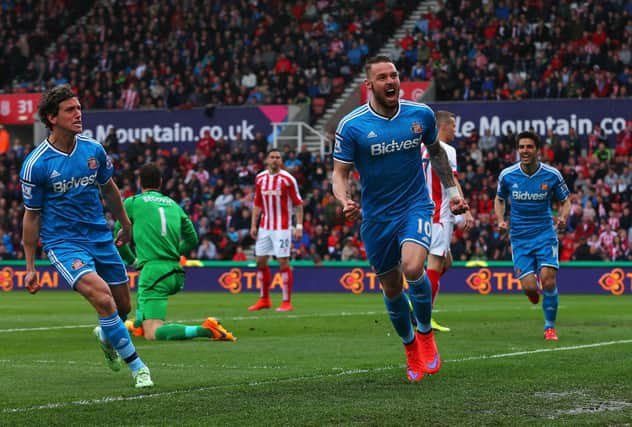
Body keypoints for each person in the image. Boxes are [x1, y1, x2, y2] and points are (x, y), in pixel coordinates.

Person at [332, 55, 468, 382]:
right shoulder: (352, 126)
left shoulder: (419, 114)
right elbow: (340, 173)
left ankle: (424, 332)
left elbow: (436, 153)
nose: (391, 82)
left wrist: (453, 194)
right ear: (369, 86)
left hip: (415, 206)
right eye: (382, 77)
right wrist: (344, 199)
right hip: (377, 217)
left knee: (412, 267)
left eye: (394, 75)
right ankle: (410, 348)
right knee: (392, 287)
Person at [19, 84, 153, 388]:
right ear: (52, 117)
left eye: (79, 108)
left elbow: (108, 187)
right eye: (70, 110)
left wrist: (125, 224)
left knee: (122, 307)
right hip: (64, 243)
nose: (78, 114)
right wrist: (29, 268)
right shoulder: (36, 164)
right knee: (103, 298)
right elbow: (31, 215)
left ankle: (106, 335)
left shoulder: (93, 149)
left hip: (100, 236)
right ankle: (138, 367)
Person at [116, 163, 236, 342]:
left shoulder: (133, 202)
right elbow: (193, 238)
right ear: (161, 182)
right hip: (176, 271)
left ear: (140, 181)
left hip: (155, 272)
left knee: (153, 333)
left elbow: (119, 240)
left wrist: (133, 261)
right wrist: (172, 252)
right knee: (144, 300)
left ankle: (206, 330)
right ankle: (138, 324)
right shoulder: (173, 204)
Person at [494, 130, 571, 341]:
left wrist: (563, 216)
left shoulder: (552, 175)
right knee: (530, 288)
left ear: (537, 149)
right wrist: (501, 220)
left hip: (545, 234)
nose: (525, 151)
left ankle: (549, 327)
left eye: (529, 147)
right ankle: (533, 294)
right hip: (519, 238)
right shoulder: (508, 175)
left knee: (547, 281)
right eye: (521, 147)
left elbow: (566, 200)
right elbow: (499, 199)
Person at [420, 111, 474, 332]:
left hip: (422, 213)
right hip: (440, 214)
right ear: (442, 127)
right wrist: (465, 211)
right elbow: (451, 180)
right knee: (435, 265)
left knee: (446, 262)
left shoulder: (420, 148)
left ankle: (419, 298)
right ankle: (423, 317)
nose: (455, 130)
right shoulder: (446, 150)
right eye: (452, 126)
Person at [248, 148, 304, 312]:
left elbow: (298, 204)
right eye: (272, 157)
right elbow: (257, 203)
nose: (275, 160)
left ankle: (286, 301)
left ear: (281, 161)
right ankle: (264, 299)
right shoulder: (260, 178)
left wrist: (299, 226)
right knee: (260, 262)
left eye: (277, 157)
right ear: (266, 160)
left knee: (282, 262)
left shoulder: (288, 179)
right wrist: (253, 225)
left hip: (283, 228)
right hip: (265, 227)